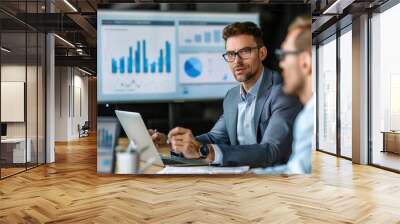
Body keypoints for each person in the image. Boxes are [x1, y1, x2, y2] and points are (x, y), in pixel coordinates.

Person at [150, 22, 302, 168]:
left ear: (262, 53)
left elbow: (271, 151)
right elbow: (215, 137)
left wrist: (205, 151)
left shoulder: (283, 92)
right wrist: (172, 142)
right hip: (240, 177)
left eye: (245, 52)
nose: (237, 61)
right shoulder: (232, 96)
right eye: (231, 54)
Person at [253, 16, 314, 174]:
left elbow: (297, 177)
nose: (281, 64)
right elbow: (294, 169)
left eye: (285, 55)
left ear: (305, 62)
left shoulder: (310, 119)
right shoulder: (309, 113)